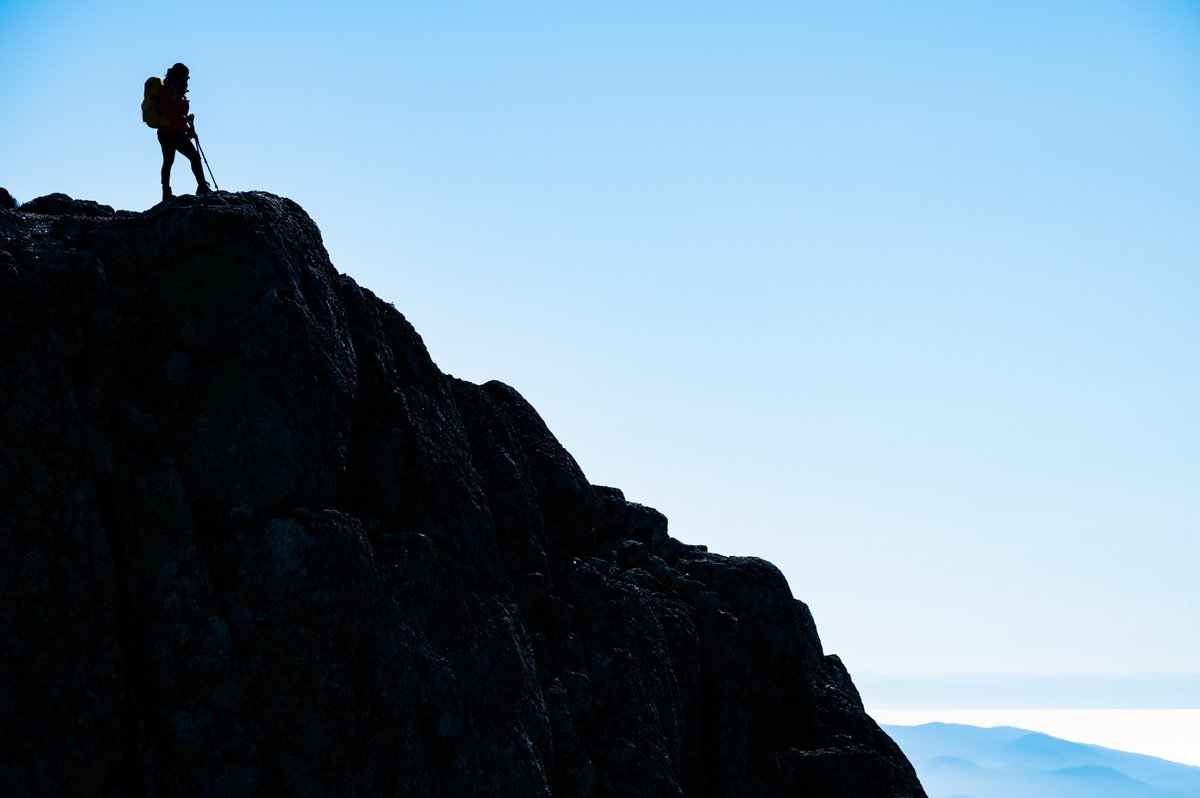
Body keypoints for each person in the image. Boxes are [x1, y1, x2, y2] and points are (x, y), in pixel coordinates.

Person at [157, 63, 211, 201]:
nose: (187, 78)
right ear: (178, 75)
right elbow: (166, 111)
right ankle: (201, 186)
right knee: (192, 157)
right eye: (185, 75)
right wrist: (185, 121)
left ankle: (167, 193)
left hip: (173, 132)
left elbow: (175, 114)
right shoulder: (168, 90)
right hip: (169, 133)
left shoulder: (178, 91)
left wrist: (187, 127)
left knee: (169, 161)